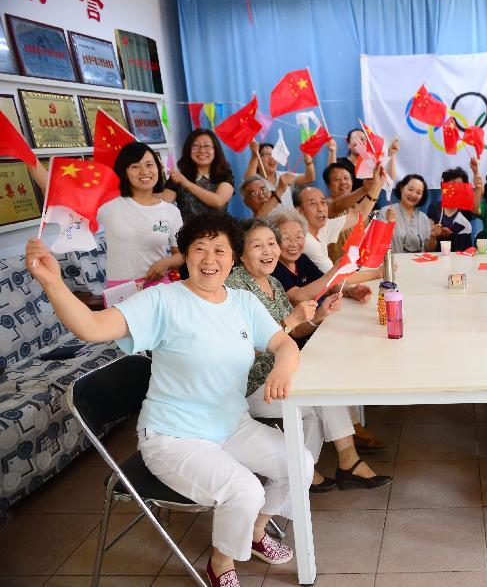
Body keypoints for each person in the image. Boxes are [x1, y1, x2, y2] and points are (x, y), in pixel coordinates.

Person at [25, 211, 307, 586]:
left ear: (234, 257)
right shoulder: (162, 300)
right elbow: (92, 327)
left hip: (231, 425)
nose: (209, 260)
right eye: (199, 249)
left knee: (299, 461)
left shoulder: (243, 302)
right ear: (185, 255)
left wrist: (282, 368)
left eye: (219, 250)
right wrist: (53, 284)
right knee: (245, 489)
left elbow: (285, 343)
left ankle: (255, 531)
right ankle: (221, 563)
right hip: (174, 438)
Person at [226, 218, 392, 491]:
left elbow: (293, 333)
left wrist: (319, 316)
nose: (268, 251)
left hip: (281, 368)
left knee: (320, 395)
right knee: (319, 397)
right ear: (240, 254)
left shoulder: (273, 283)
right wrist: (291, 320)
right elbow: (245, 345)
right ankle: (324, 468)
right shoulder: (236, 287)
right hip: (252, 382)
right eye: (257, 245)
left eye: (271, 243)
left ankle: (307, 470)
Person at [271, 211, 388, 451]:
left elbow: (329, 284)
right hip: (297, 340)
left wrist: (350, 291)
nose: (294, 243)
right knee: (335, 362)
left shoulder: (301, 259)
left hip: (314, 329)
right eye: (286, 238)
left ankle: (354, 427)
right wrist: (336, 269)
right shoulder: (276, 269)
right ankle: (349, 442)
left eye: (298, 236)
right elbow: (300, 296)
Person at [27, 142, 184, 289]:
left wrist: (167, 262)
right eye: (135, 166)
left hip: (158, 288)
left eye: (149, 165)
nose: (144, 171)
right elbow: (56, 188)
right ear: (125, 172)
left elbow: (181, 255)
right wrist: (27, 155)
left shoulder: (171, 212)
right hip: (122, 291)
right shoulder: (110, 204)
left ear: (158, 167)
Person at [293, 167, 385, 296]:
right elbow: (336, 277)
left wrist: (377, 186)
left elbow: (357, 215)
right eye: (313, 204)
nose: (321, 209)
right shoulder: (305, 241)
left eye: (323, 202)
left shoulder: (322, 226)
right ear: (299, 211)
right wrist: (378, 273)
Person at [163, 129, 235, 222]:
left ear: (215, 150)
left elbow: (218, 201)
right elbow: (163, 204)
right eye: (196, 146)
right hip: (188, 234)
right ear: (189, 150)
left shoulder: (224, 176)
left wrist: (186, 183)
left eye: (207, 146)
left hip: (219, 233)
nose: (202, 150)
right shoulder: (178, 178)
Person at [426, 160, 485, 252]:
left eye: (460, 185)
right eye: (452, 183)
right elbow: (430, 233)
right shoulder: (434, 207)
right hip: (442, 258)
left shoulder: (466, 205)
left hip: (465, 258)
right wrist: (438, 233)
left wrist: (476, 176)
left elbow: (476, 208)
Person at [378, 174, 442, 253]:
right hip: (395, 263)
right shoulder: (386, 212)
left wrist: (432, 237)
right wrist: (389, 225)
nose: (414, 195)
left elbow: (429, 250)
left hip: (420, 264)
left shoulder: (424, 218)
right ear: (401, 188)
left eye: (419, 192)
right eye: (410, 189)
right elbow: (377, 244)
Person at [244, 139, 312, 210]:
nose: (271, 157)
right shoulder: (256, 181)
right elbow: (248, 183)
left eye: (273, 154)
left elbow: (309, 177)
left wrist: (308, 159)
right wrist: (254, 155)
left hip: (292, 219)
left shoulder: (285, 175)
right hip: (269, 221)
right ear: (257, 162)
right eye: (265, 154)